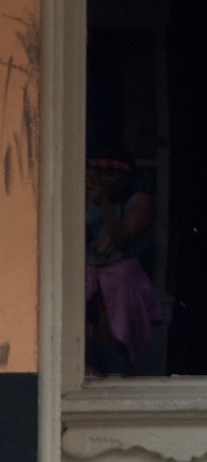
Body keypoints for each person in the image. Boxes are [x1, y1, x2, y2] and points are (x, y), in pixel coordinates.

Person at [85, 156, 160, 376]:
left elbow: (123, 240)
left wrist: (104, 205)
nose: (105, 180)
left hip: (120, 283)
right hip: (90, 278)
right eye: (99, 174)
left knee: (115, 349)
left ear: (127, 177)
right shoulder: (87, 200)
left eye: (112, 174)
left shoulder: (140, 202)